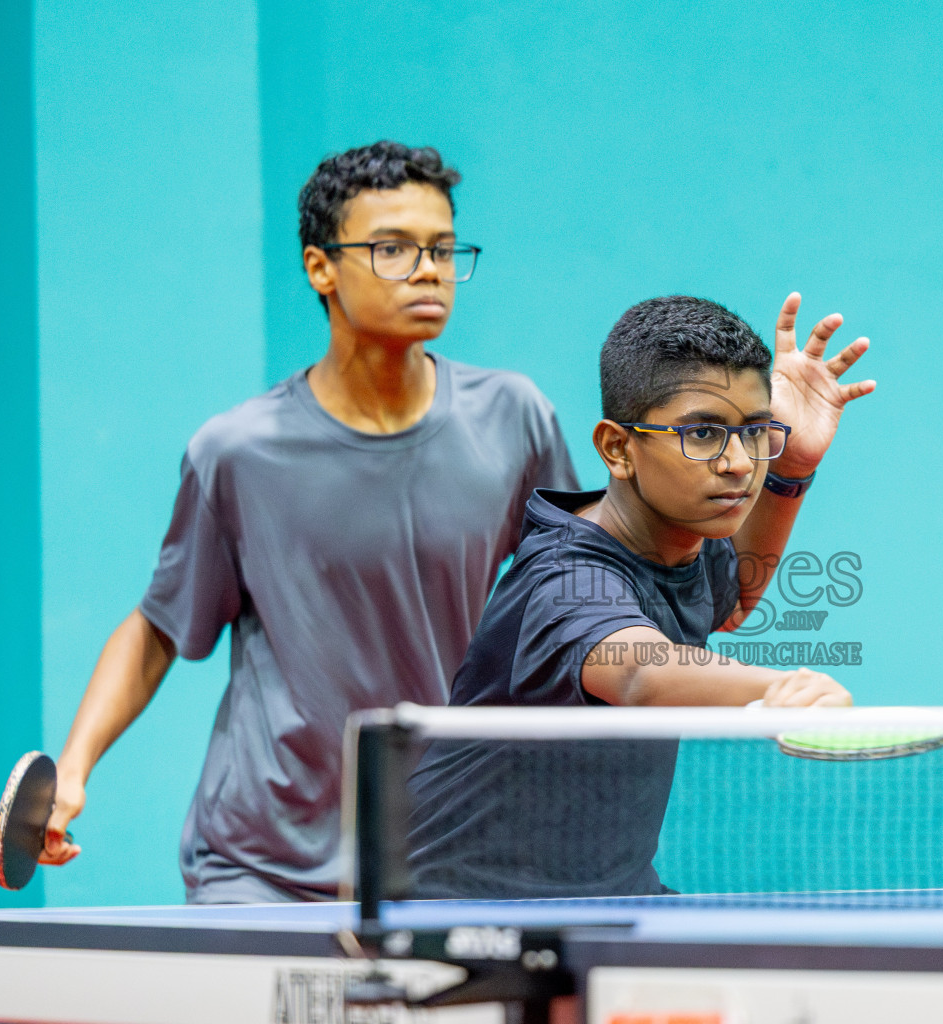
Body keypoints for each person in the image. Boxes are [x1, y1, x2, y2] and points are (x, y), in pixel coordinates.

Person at [40, 141, 579, 903]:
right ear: (320, 268)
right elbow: (159, 627)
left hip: (443, 851)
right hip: (263, 865)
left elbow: (583, 606)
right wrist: (73, 766)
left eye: (442, 248)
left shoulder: (514, 419)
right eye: (392, 248)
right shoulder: (237, 451)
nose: (427, 269)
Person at [407, 293, 873, 898]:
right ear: (618, 448)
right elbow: (637, 674)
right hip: (463, 915)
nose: (738, 463)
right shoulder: (567, 576)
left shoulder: (683, 537)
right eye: (702, 433)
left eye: (756, 431)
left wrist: (792, 470)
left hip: (605, 897)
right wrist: (777, 690)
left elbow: (731, 601)